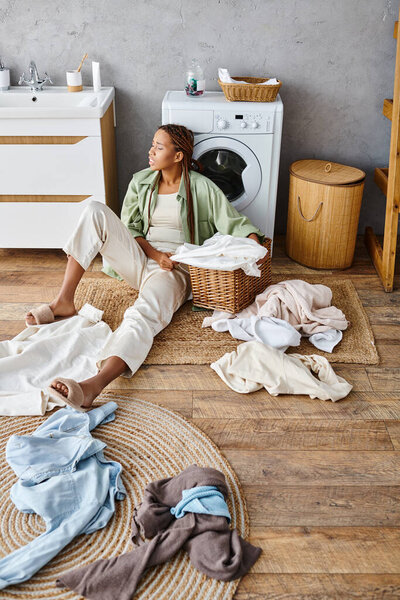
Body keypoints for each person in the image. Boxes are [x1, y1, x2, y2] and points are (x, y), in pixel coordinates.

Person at [25, 124, 267, 411]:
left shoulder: (202, 187)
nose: (150, 151)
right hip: (141, 258)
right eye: (152, 144)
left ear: (178, 156)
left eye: (159, 147)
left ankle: (93, 385)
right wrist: (153, 253)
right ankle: (64, 300)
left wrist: (255, 250)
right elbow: (131, 229)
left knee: (141, 315)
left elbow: (237, 224)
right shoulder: (141, 181)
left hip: (174, 270)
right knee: (94, 211)